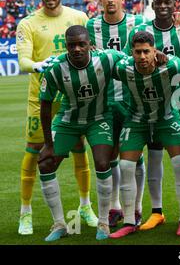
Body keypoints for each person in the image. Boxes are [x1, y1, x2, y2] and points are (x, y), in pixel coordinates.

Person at [16, 0, 97, 236]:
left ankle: (85, 205)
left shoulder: (78, 17)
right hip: (42, 98)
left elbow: (93, 48)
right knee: (34, 150)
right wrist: (38, 65)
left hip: (74, 97)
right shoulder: (27, 24)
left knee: (78, 146)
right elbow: (24, 61)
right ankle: (25, 212)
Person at [38, 25, 125, 241]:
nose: (76, 49)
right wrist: (48, 144)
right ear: (66, 46)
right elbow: (46, 106)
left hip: (99, 118)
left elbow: (133, 61)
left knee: (103, 163)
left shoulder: (106, 58)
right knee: (45, 162)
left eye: (81, 44)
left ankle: (103, 223)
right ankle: (59, 224)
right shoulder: (55, 69)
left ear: (89, 44)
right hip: (68, 121)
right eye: (71, 45)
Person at [125, 0, 180, 231]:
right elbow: (130, 61)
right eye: (159, 3)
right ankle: (157, 211)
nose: (163, 6)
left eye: (168, 2)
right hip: (152, 103)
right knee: (155, 155)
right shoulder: (142, 32)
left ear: (176, 4)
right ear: (153, 5)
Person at [109, 31, 180, 238]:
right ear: (132, 52)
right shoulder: (123, 68)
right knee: (126, 165)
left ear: (154, 51)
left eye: (147, 51)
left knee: (179, 166)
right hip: (137, 120)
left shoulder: (171, 65)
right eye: (138, 52)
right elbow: (103, 61)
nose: (142, 56)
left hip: (167, 118)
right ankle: (129, 221)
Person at [86, 0, 147, 228]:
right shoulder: (91, 26)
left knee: (133, 154)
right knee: (109, 155)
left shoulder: (137, 23)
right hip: (104, 100)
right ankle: (114, 206)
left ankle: (139, 206)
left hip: (132, 98)